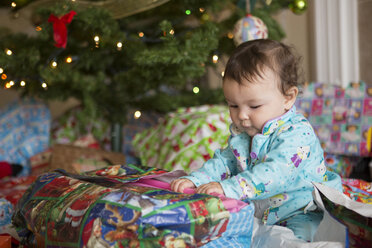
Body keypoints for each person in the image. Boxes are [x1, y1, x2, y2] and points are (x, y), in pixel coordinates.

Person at [170, 39, 342, 242]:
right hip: (262, 211)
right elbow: (224, 162)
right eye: (233, 105)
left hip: (302, 210)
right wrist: (197, 180)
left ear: (288, 98)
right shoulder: (245, 133)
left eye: (254, 106)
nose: (242, 115)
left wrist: (230, 188)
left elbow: (276, 173)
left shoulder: (297, 134)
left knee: (297, 241)